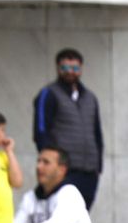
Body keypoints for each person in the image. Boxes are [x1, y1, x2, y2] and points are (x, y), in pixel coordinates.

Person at [32, 48, 104, 208]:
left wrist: (98, 165)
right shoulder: (48, 93)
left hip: (89, 170)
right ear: (58, 68)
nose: (70, 72)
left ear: (81, 69)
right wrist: (51, 164)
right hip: (64, 170)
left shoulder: (90, 97)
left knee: (82, 216)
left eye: (75, 68)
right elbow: (41, 131)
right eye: (65, 68)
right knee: (62, 213)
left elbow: (97, 133)